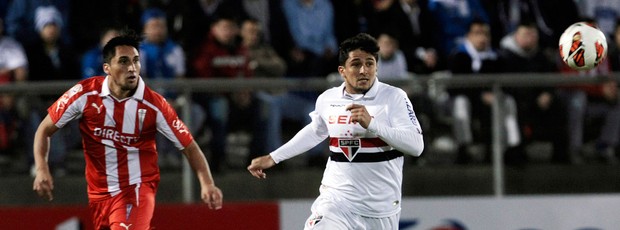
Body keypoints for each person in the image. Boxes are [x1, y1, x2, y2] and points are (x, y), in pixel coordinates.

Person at [32, 31, 223, 229]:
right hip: (99, 194)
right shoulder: (84, 94)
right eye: (123, 61)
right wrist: (42, 169)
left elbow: (189, 146)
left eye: (136, 61)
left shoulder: (154, 104)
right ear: (107, 67)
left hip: (136, 189)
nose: (132, 68)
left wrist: (207, 183)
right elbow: (44, 130)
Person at [247, 33, 424, 229]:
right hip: (336, 202)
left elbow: (416, 146)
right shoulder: (328, 99)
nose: (364, 70)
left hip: (380, 210)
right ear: (343, 70)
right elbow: (316, 131)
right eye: (356, 64)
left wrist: (373, 125)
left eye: (370, 63)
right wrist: (274, 157)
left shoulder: (394, 97)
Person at [448, 19, 522, 164]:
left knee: (508, 101)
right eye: (477, 33)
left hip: (492, 100)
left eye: (486, 34)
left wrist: (495, 95)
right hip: (469, 100)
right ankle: (464, 148)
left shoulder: (497, 58)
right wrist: (480, 95)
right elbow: (456, 87)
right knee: (460, 103)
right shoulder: (459, 56)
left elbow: (506, 83)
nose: (482, 38)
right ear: (468, 36)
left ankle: (511, 147)